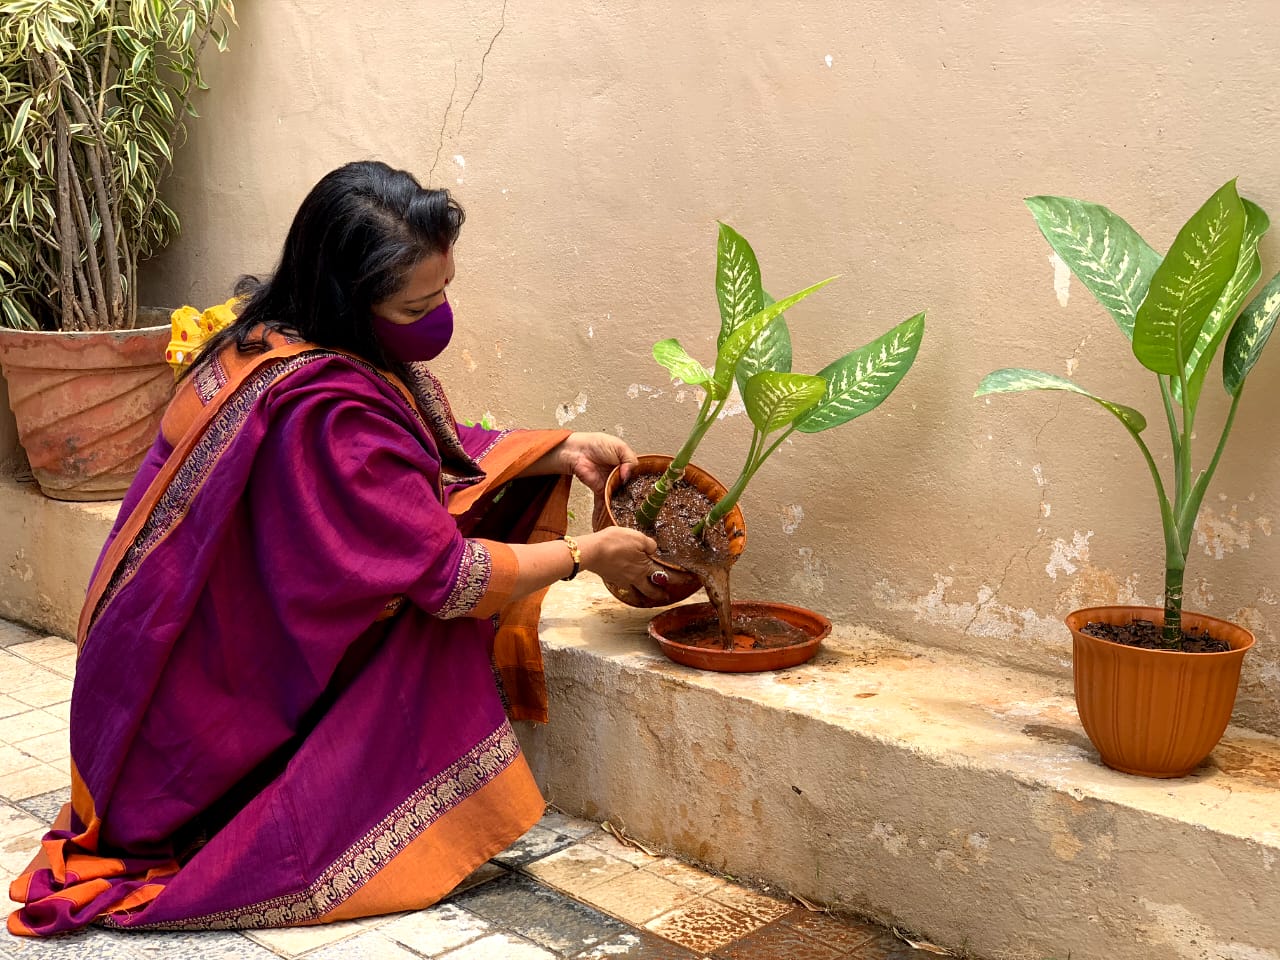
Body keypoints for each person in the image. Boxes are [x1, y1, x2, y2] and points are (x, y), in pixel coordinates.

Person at [7, 160, 665, 936]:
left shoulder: (272, 337)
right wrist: (590, 554)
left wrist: (555, 451)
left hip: (149, 669)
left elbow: (415, 462)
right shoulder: (329, 411)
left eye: (445, 291)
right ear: (353, 299)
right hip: (200, 710)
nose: (437, 317)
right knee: (438, 630)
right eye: (418, 303)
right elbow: (450, 577)